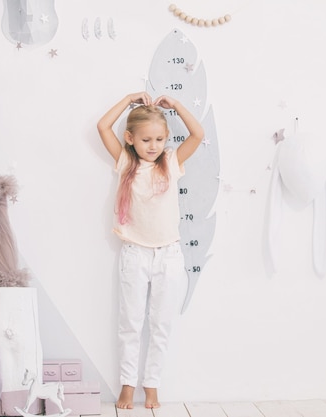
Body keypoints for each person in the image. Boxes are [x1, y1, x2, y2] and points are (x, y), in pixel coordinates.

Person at [97, 92, 204, 409]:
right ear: (130, 139)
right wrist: (129, 99)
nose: (153, 146)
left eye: (159, 139)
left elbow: (198, 134)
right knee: (130, 323)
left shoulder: (171, 162)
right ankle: (128, 384)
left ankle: (152, 384)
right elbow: (103, 127)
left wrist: (177, 107)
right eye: (146, 140)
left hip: (169, 255)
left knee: (161, 324)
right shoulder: (126, 162)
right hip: (134, 254)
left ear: (166, 139)